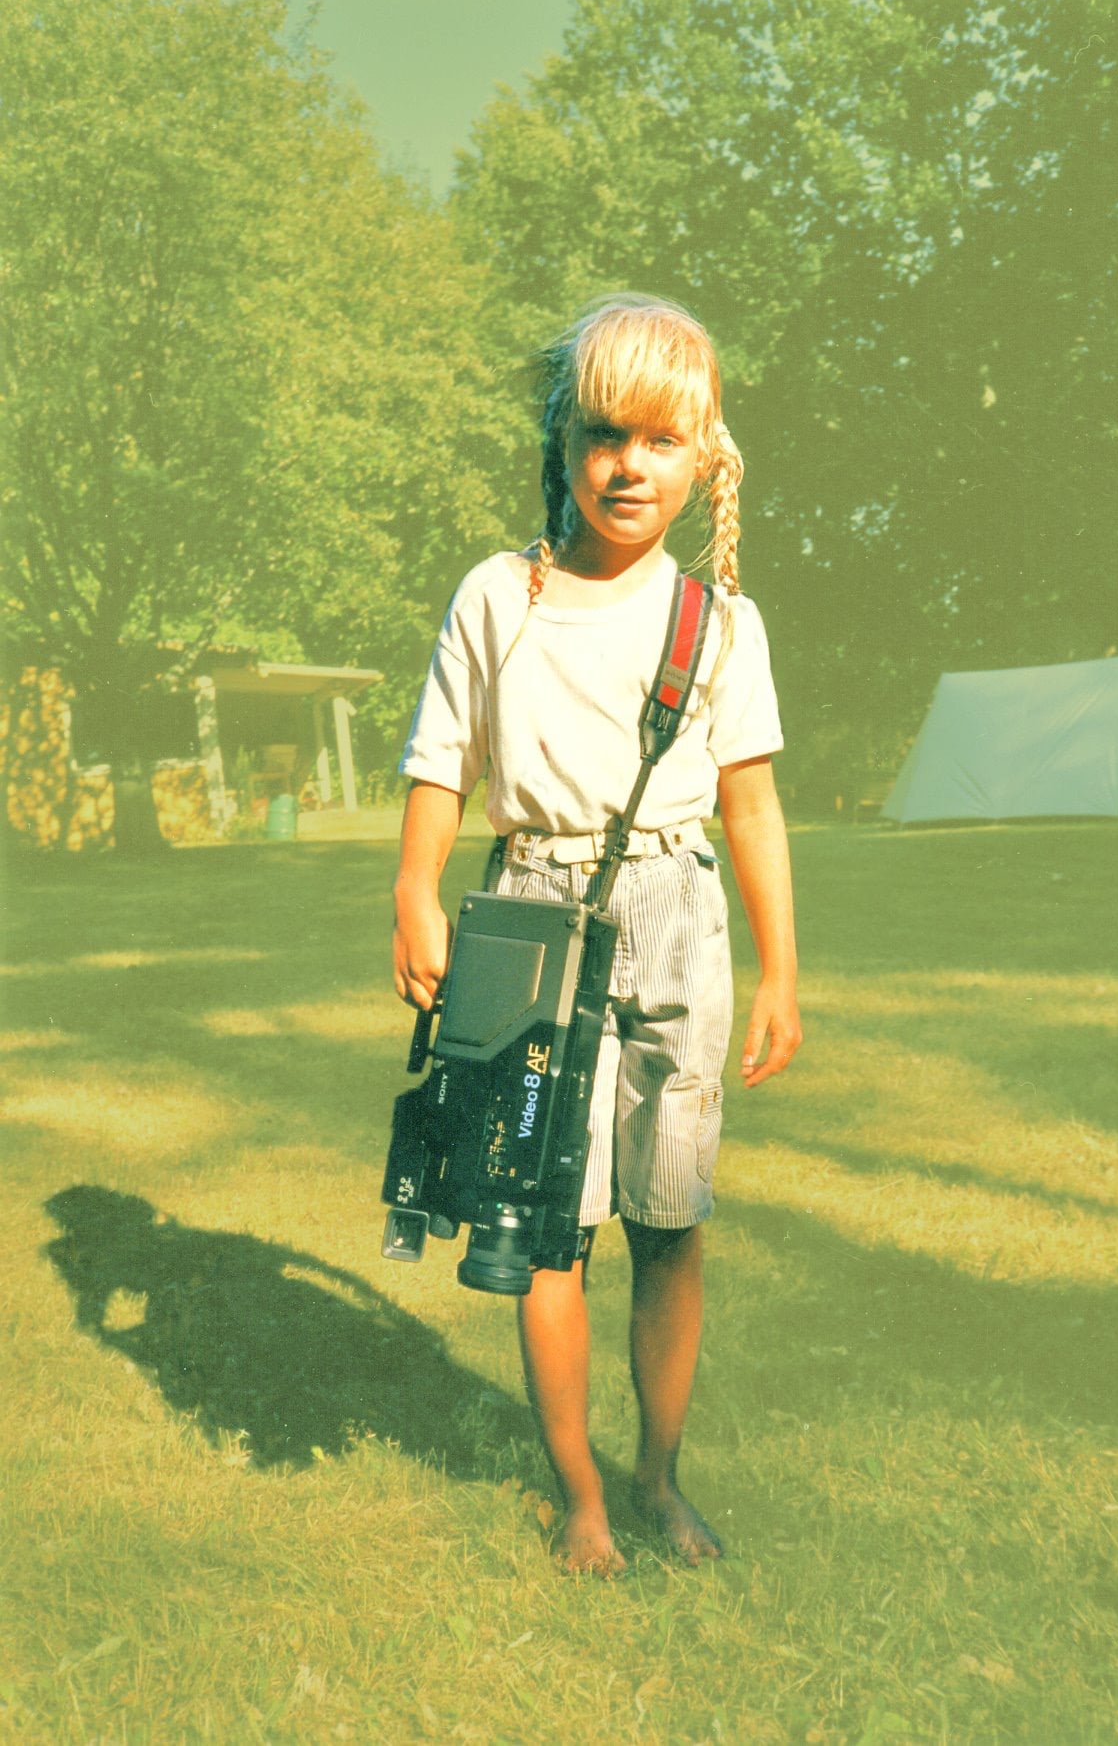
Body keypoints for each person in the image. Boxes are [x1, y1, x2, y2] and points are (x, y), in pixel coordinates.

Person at [392, 293, 802, 1575]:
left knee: (669, 1219)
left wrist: (781, 969)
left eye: (662, 441)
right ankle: (577, 1498)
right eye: (604, 434)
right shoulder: (494, 595)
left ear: (703, 456)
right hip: (528, 919)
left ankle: (656, 1477)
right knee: (542, 1223)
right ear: (561, 441)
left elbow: (749, 803)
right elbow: (440, 761)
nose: (630, 466)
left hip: (677, 916)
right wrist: (413, 890)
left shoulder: (719, 621)